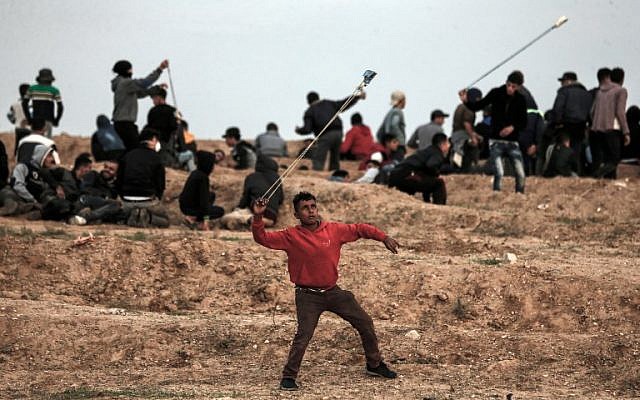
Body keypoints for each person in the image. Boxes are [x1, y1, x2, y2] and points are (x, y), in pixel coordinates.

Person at [251, 191, 399, 391]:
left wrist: (384, 237)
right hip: (307, 295)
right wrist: (258, 216)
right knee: (303, 335)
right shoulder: (290, 236)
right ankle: (288, 376)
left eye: (313, 207)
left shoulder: (334, 230)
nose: (311, 211)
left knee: (364, 321)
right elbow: (262, 238)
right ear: (296, 215)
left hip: (333, 291)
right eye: (305, 208)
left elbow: (360, 229)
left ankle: (374, 364)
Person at [459, 71, 527, 193]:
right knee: (499, 172)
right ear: (506, 82)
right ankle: (496, 195)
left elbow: (523, 122)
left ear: (519, 87)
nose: (510, 89)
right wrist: (465, 101)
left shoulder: (521, 100)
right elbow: (478, 106)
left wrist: (512, 127)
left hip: (513, 142)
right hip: (496, 140)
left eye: (513, 87)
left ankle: (519, 195)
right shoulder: (496, 93)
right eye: (509, 85)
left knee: (520, 173)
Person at [295, 90, 365, 171]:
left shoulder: (310, 111)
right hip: (338, 133)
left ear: (308, 101)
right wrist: (357, 97)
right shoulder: (328, 103)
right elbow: (344, 103)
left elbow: (307, 129)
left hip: (325, 135)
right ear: (318, 98)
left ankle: (317, 174)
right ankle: (335, 174)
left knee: (319, 157)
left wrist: (298, 130)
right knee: (335, 158)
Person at [111, 59, 168, 151]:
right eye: (130, 69)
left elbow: (141, 93)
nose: (132, 72)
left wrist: (157, 88)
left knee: (128, 150)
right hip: (125, 124)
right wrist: (160, 69)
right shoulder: (126, 83)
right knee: (135, 149)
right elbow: (145, 82)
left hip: (121, 124)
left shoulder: (122, 85)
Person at [117, 128, 169, 227]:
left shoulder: (128, 155)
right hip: (148, 201)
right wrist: (157, 197)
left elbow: (119, 180)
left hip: (127, 201)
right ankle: (147, 218)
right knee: (165, 221)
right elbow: (160, 184)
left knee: (119, 215)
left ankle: (130, 217)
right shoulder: (156, 158)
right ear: (153, 139)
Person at [11, 144, 71, 220]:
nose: (52, 159)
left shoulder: (46, 173)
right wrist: (33, 200)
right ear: (41, 156)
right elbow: (18, 186)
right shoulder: (23, 167)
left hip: (41, 203)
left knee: (64, 206)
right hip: (23, 200)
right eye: (49, 156)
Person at [549, 72, 592, 175]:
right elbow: (590, 111)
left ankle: (564, 172)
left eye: (563, 81)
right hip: (581, 126)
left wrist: (557, 122)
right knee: (577, 151)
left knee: (564, 150)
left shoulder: (564, 91)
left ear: (568, 81)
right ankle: (576, 171)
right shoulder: (587, 94)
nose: (561, 84)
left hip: (566, 125)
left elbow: (557, 108)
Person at [590, 67, 630, 179]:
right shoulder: (621, 91)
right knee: (614, 159)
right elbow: (620, 112)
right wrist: (626, 132)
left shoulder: (600, 91)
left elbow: (592, 111)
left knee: (606, 158)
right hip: (612, 128)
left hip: (597, 128)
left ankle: (609, 181)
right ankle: (597, 174)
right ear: (622, 79)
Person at [388, 133, 450, 205]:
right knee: (439, 183)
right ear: (442, 144)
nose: (449, 146)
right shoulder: (437, 153)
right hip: (407, 173)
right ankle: (440, 209)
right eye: (448, 143)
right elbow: (431, 165)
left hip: (396, 176)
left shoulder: (426, 152)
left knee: (427, 181)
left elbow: (426, 177)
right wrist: (437, 174)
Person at [179, 151, 224, 230]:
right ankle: (192, 218)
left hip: (185, 206)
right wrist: (206, 220)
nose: (213, 167)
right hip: (190, 209)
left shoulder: (195, 173)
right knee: (220, 211)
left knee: (211, 195)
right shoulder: (203, 178)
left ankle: (194, 217)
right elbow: (204, 201)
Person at [22, 68, 63, 138]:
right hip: (48, 120)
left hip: (35, 120)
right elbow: (60, 107)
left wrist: (29, 119)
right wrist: (56, 120)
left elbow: (24, 104)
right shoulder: (54, 90)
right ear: (50, 80)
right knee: (47, 142)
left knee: (35, 140)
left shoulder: (32, 89)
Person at [450, 88, 482, 172]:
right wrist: (473, 137)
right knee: (472, 148)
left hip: (455, 134)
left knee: (458, 152)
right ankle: (475, 167)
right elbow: (466, 124)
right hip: (463, 135)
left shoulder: (461, 106)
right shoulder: (469, 108)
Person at [377, 90, 406, 161]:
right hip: (397, 145)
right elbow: (394, 125)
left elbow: (380, 132)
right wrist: (398, 140)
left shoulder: (390, 112)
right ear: (401, 101)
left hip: (389, 144)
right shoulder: (397, 112)